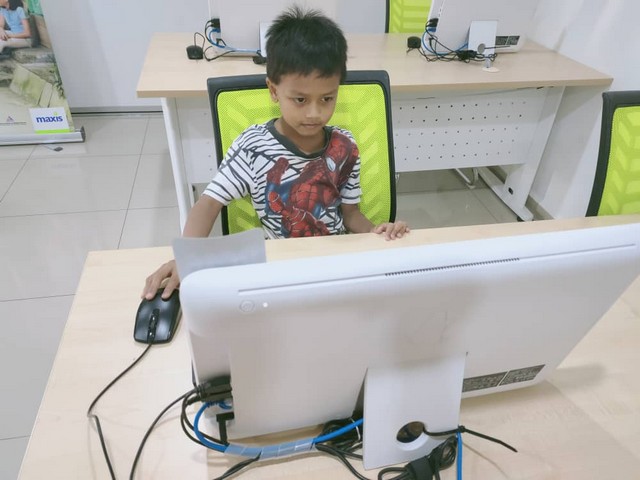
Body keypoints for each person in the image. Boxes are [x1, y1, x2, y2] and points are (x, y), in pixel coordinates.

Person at [142, 6, 410, 300]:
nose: (314, 113)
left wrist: (377, 232)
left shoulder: (344, 146)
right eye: (300, 99)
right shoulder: (253, 147)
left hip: (334, 266)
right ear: (273, 90)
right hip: (279, 270)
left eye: (327, 98)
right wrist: (186, 258)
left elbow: (351, 214)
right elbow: (208, 204)